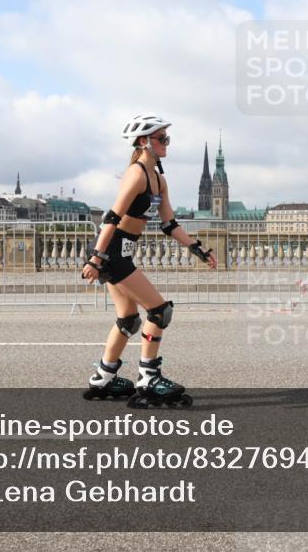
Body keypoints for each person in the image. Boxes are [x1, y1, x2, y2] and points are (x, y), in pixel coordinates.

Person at [82, 114, 218, 407]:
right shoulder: (137, 174)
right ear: (144, 142)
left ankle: (103, 378)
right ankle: (149, 379)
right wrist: (96, 259)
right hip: (113, 250)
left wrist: (197, 248)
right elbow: (113, 217)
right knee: (159, 311)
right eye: (161, 139)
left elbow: (169, 224)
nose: (166, 143)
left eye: (167, 138)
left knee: (129, 319)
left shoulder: (159, 179)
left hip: (121, 251)